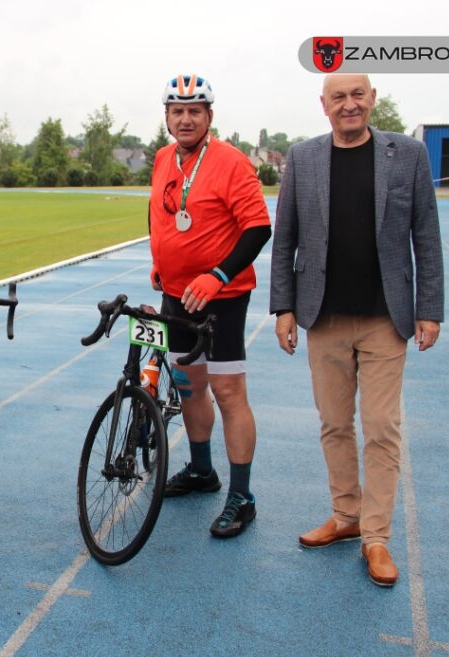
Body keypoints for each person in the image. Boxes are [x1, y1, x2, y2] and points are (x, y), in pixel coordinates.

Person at [269, 74, 444, 587]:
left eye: (357, 95)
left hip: (385, 316)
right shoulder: (302, 157)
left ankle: (376, 538)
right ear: (323, 105)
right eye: (338, 97)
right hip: (322, 314)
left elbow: (426, 236)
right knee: (334, 424)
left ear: (373, 99)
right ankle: (346, 516)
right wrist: (283, 307)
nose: (349, 105)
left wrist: (429, 307)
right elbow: (286, 240)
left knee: (382, 427)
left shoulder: (408, 154)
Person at [148, 75, 272, 538]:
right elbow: (160, 213)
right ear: (166, 117)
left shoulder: (232, 162)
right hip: (176, 293)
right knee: (187, 385)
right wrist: (159, 262)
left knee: (228, 393)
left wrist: (217, 274)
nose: (185, 118)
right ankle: (203, 472)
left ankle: (242, 497)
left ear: (209, 117)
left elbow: (258, 228)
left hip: (223, 296)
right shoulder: (163, 159)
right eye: (177, 111)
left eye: (195, 110)